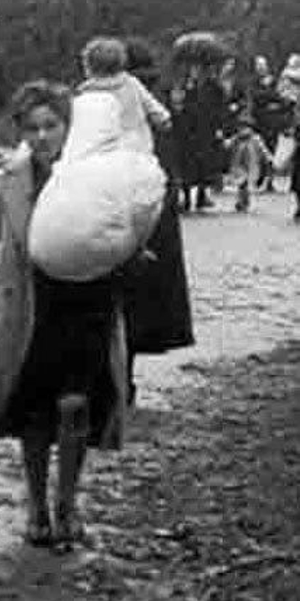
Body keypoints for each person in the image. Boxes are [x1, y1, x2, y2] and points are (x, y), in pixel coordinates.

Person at [0, 80, 129, 549]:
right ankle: (36, 503)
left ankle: (68, 502)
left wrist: (129, 253)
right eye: (31, 127)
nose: (41, 137)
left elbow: (129, 227)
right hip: (28, 312)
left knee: (75, 405)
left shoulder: (96, 178)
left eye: (51, 126)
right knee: (34, 414)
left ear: (69, 129)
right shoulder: (5, 182)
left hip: (85, 304)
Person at [117, 39, 195, 404]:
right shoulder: (155, 108)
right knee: (135, 302)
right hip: (148, 213)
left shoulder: (129, 109)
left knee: (122, 300)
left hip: (133, 212)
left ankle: (120, 376)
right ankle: (122, 376)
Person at [168, 33, 234, 211]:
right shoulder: (182, 84)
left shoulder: (213, 85)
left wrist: (222, 127)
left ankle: (202, 194)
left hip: (206, 129)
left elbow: (221, 107)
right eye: (193, 67)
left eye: (199, 67)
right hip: (186, 129)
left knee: (206, 162)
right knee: (186, 163)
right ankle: (187, 195)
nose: (196, 70)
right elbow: (175, 105)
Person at [76, 37, 171, 154]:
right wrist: (163, 120)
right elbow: (153, 107)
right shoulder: (131, 84)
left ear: (88, 67)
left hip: (104, 150)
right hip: (138, 147)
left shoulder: (85, 93)